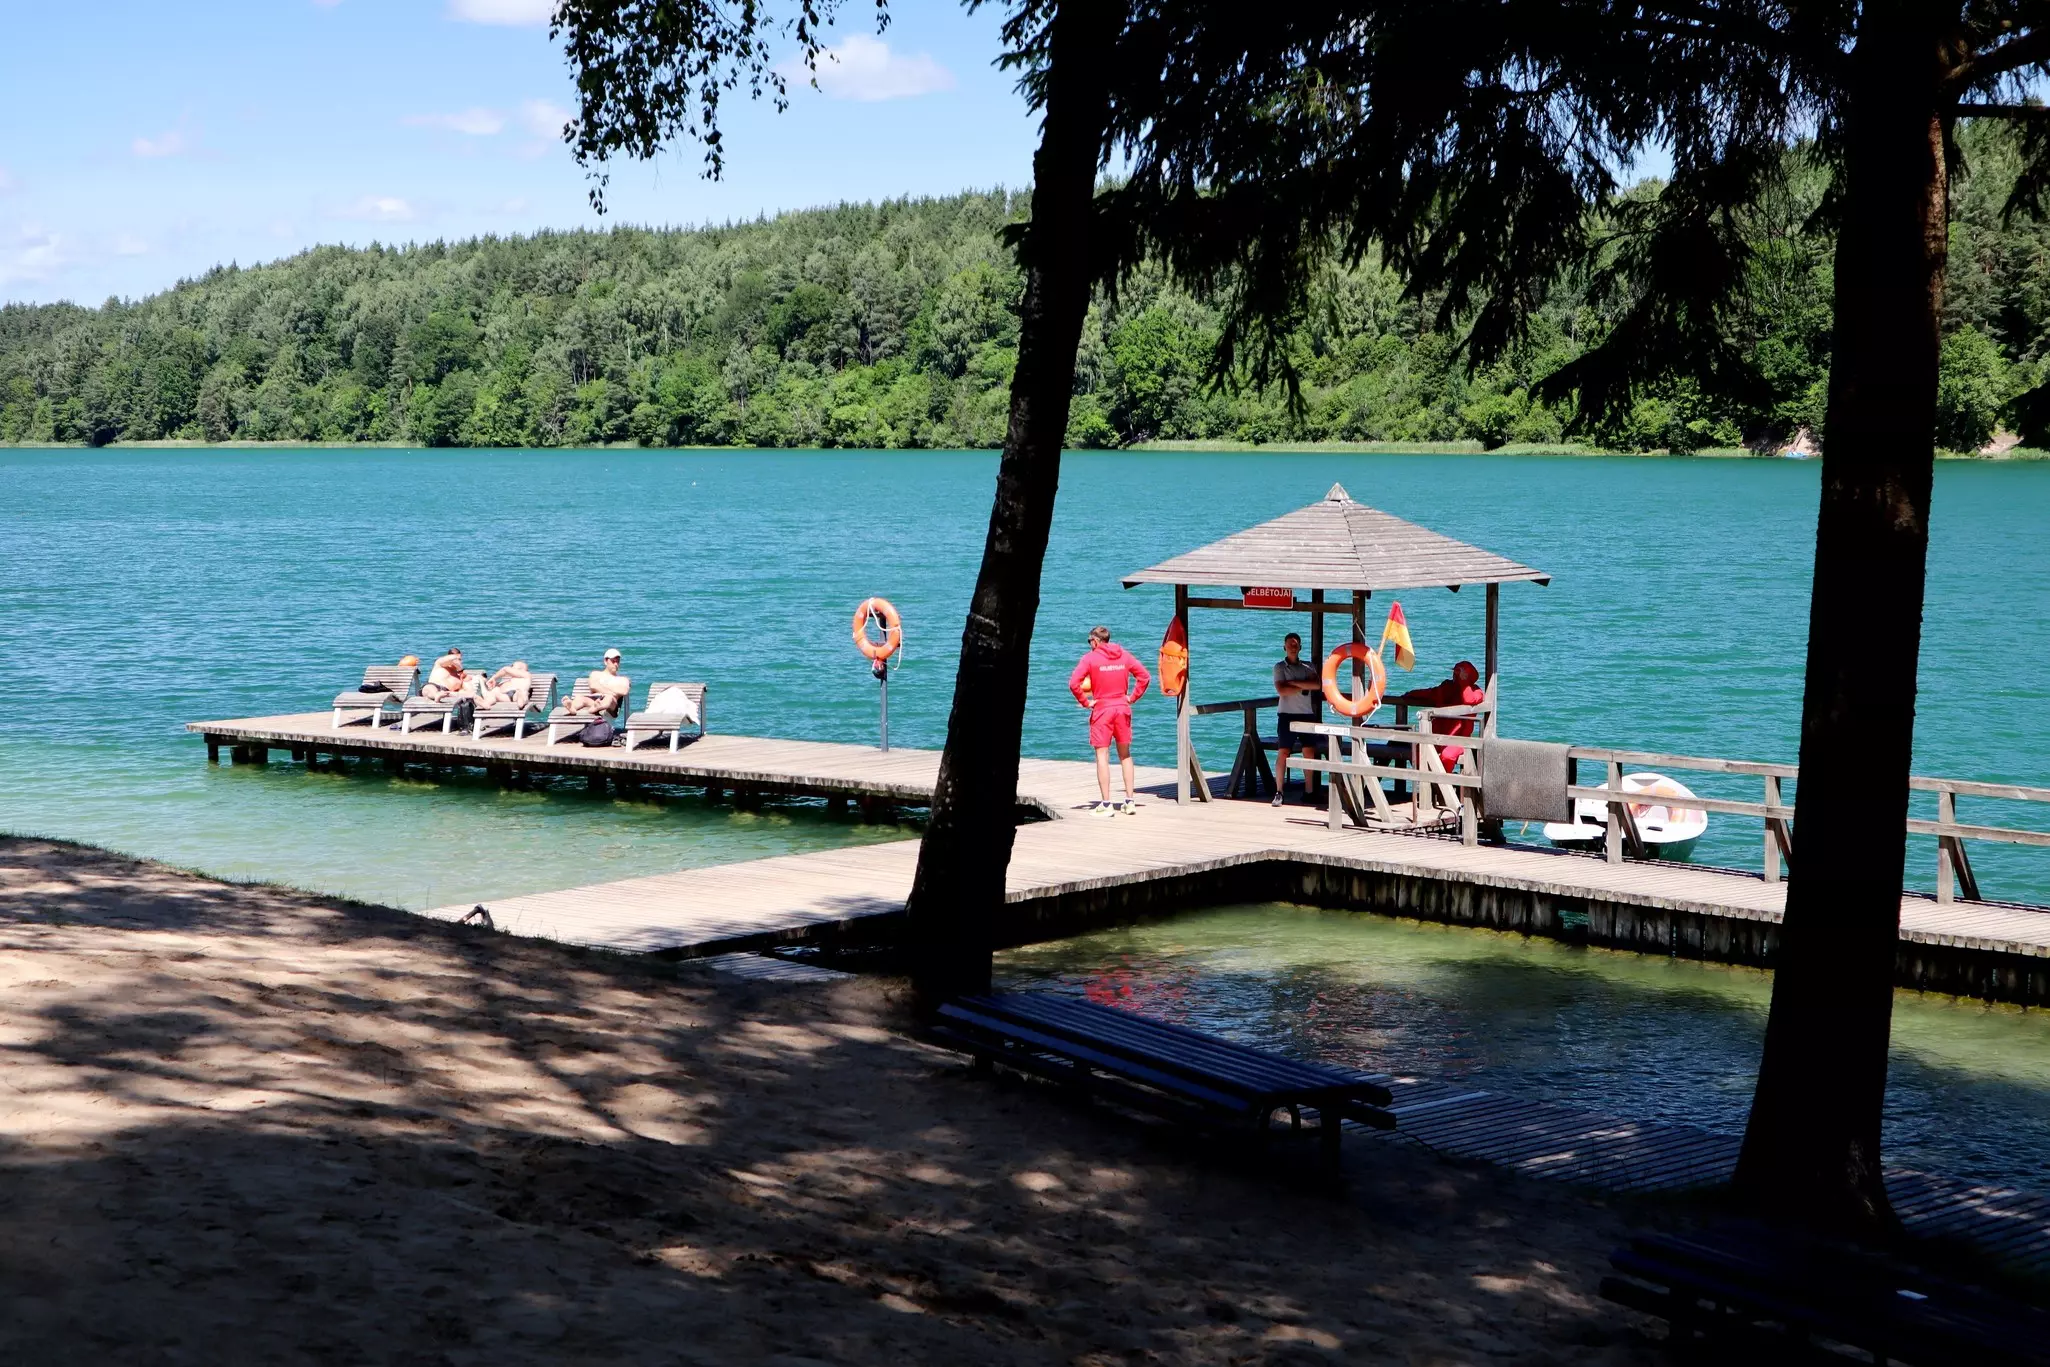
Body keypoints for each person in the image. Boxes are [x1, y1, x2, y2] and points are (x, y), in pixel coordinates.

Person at [1068, 626, 1150, 815]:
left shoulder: (1090, 658)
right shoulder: (1124, 655)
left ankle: (1106, 805)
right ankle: (1129, 801)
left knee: (1102, 757)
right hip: (1122, 708)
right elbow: (1144, 677)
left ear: (1095, 641)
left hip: (1102, 710)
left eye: (1090, 642)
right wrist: (1132, 697)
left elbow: (1073, 683)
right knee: (1125, 755)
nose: (1090, 646)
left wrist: (1085, 702)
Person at [1395, 660, 1485, 768]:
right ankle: (1429, 780)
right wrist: (1410, 695)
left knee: (1447, 755)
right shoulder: (1446, 687)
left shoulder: (1476, 691)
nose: (1455, 676)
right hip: (1437, 735)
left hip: (1460, 739)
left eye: (1459, 674)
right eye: (1455, 673)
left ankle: (1442, 783)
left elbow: (1469, 700)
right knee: (1418, 751)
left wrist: (1464, 683)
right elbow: (1430, 693)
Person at [1271, 632, 1321, 806]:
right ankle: (1279, 791)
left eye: (1295, 643)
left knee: (1309, 751)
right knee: (1283, 751)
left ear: (1300, 647)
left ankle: (1309, 791)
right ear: (1284, 647)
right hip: (1286, 715)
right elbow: (1281, 690)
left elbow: (1316, 685)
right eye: (1289, 643)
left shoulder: (1308, 667)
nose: (1293, 646)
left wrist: (1292, 683)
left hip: (1306, 714)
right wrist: (1302, 684)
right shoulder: (1279, 667)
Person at [561, 648, 632, 717]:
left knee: (609, 698)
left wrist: (603, 688)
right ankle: (572, 707)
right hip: (595, 700)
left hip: (611, 706)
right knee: (580, 698)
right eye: (613, 661)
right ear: (605, 661)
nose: (616, 664)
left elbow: (624, 691)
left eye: (618, 661)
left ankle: (597, 707)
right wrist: (613, 690)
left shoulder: (623, 679)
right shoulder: (596, 674)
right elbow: (593, 685)